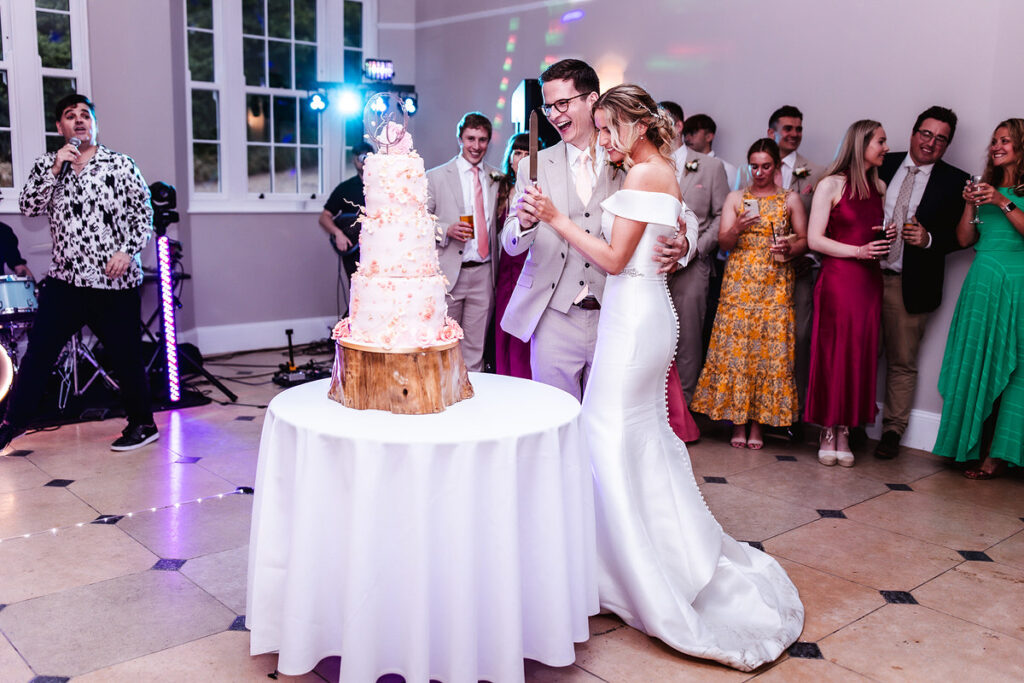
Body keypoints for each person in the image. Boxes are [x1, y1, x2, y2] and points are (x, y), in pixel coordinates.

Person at [520, 83, 802, 672]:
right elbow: (669, 238)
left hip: (633, 317)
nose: (602, 139)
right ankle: (652, 559)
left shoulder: (642, 175)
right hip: (648, 315)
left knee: (608, 437)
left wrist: (553, 218)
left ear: (634, 127)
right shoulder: (663, 169)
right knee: (639, 440)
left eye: (607, 129)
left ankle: (635, 576)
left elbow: (614, 259)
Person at [500, 59, 694, 400]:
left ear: (592, 100)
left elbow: (682, 213)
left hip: (614, 311)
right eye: (548, 106)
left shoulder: (628, 156)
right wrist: (525, 224)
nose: (555, 115)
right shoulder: (535, 163)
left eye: (563, 103)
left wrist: (685, 243)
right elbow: (510, 241)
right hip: (553, 312)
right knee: (554, 414)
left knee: (604, 417)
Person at [0, 94, 157, 452]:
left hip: (111, 283)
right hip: (66, 282)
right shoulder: (49, 166)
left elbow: (141, 214)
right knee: (38, 354)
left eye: (86, 115)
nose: (79, 120)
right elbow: (28, 207)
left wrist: (127, 251)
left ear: (95, 124)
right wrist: (54, 170)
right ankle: (11, 424)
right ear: (60, 127)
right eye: (71, 116)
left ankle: (143, 424)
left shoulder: (120, 165)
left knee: (125, 358)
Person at [691, 138, 808, 449]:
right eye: (754, 166)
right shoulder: (735, 198)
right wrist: (737, 227)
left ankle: (758, 425)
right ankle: (738, 423)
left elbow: (805, 240)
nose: (759, 172)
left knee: (768, 354)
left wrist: (789, 245)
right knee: (738, 353)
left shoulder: (789, 199)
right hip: (739, 283)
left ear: (776, 166)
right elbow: (725, 243)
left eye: (766, 166)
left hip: (775, 282)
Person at [874, 107, 969, 459]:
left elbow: (966, 236)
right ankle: (851, 424)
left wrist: (929, 239)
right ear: (913, 133)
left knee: (902, 361)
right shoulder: (881, 162)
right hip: (865, 275)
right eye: (926, 134)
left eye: (941, 138)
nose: (931, 143)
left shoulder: (957, 181)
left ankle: (891, 431)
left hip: (910, 284)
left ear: (947, 145)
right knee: (862, 355)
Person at [934, 118, 1024, 479]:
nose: (996, 146)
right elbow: (964, 239)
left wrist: (1002, 200)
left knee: (1016, 367)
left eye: (1005, 141)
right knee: (973, 361)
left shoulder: (1007, 192)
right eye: (994, 140)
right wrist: (970, 205)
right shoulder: (984, 186)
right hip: (982, 283)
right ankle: (965, 446)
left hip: (1017, 284)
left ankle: (996, 456)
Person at [805, 120, 894, 466]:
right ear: (861, 144)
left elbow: (871, 239)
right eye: (881, 142)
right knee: (833, 352)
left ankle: (846, 428)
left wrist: (888, 236)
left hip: (870, 283)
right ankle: (828, 429)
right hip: (840, 279)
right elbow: (815, 240)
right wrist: (857, 251)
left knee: (860, 354)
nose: (886, 148)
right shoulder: (831, 184)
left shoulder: (880, 187)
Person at [428, 112, 500, 372]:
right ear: (460, 138)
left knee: (475, 349)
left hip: (484, 273)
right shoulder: (436, 176)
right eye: (470, 138)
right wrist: (445, 230)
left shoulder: (497, 178)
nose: (476, 146)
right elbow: (415, 222)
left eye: (482, 140)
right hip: (448, 274)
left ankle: (474, 403)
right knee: (444, 345)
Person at [669, 112, 730, 402]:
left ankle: (685, 410)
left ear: (679, 126)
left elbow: (721, 216)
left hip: (693, 266)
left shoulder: (710, 166)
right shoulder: (644, 164)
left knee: (688, 339)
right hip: (653, 265)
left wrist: (694, 250)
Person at [493, 133, 537, 379]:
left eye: (528, 153)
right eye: (518, 153)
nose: (522, 158)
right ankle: (503, 376)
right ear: (510, 158)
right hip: (505, 266)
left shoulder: (538, 188)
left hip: (528, 262)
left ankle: (524, 377)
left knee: (525, 325)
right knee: (503, 323)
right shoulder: (498, 190)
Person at [319, 142, 372, 280]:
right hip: (354, 250)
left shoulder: (384, 186)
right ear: (353, 160)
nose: (363, 161)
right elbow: (324, 217)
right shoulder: (345, 188)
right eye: (359, 157)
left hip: (380, 248)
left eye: (366, 156)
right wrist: (338, 234)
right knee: (356, 290)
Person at [683, 113, 738, 190]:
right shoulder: (682, 166)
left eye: (693, 133)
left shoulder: (727, 169)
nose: (687, 138)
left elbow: (735, 199)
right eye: (685, 134)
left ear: (709, 137)